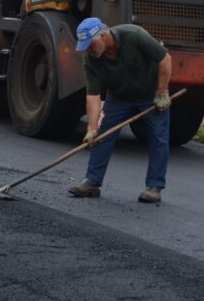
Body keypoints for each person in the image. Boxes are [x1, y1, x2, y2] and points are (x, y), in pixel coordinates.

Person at [69, 17, 173, 204]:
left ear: (103, 35)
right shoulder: (91, 59)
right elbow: (93, 96)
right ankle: (92, 182)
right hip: (119, 98)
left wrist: (162, 91)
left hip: (150, 95)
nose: (88, 50)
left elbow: (165, 58)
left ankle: (154, 187)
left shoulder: (134, 35)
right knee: (102, 136)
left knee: (158, 136)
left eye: (90, 44)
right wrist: (92, 128)